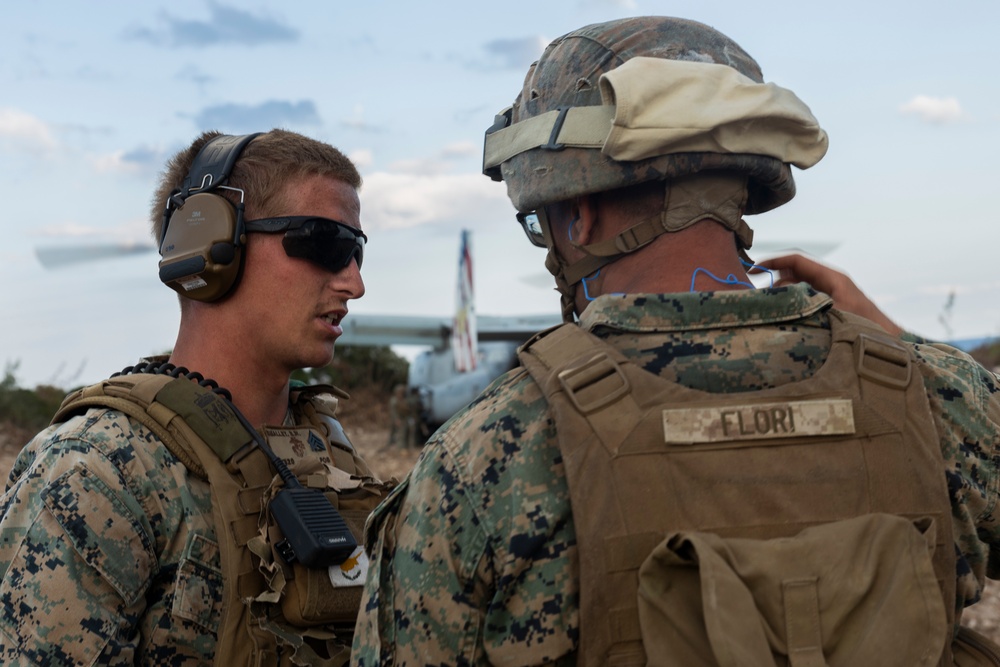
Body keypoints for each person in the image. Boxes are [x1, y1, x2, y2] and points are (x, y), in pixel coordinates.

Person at [353, 17, 1000, 666]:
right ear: (745, 186)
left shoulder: (483, 455)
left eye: (539, 225)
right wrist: (903, 346)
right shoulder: (946, 397)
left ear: (576, 213)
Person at [0, 129, 392, 665]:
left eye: (358, 252)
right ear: (211, 245)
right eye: (325, 243)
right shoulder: (99, 470)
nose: (353, 283)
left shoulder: (329, 447)